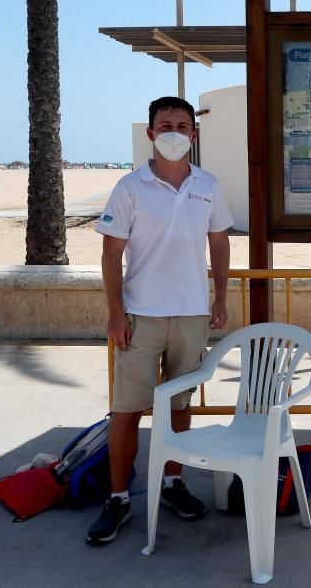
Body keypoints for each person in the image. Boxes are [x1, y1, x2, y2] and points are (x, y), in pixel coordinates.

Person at [87, 96, 233, 545]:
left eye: (182, 124)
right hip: (139, 317)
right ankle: (118, 497)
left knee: (179, 407)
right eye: (164, 124)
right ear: (150, 133)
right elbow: (111, 252)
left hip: (190, 315)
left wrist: (221, 297)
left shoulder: (208, 184)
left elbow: (220, 242)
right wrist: (115, 312)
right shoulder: (130, 188)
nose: (174, 131)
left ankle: (172, 484)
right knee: (126, 412)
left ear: (195, 133)